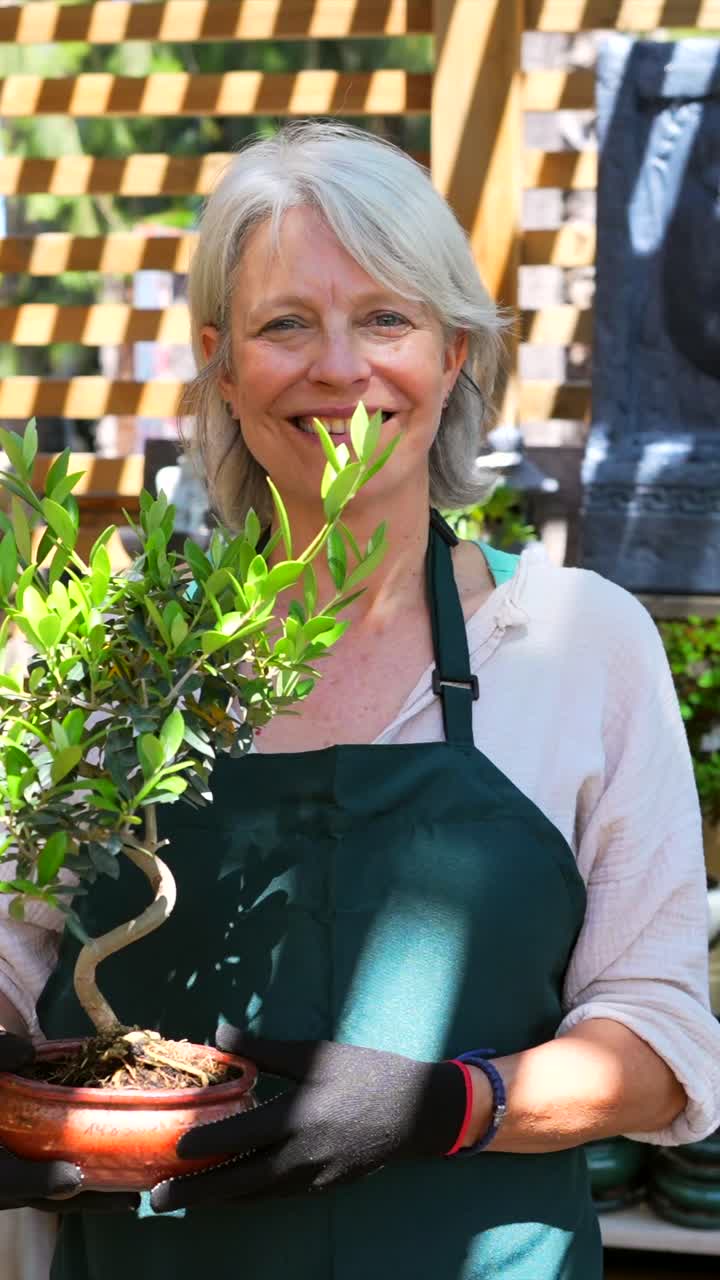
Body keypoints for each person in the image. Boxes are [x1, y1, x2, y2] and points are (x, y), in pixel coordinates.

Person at [1, 120, 719, 1280]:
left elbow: (662, 1039)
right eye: (287, 322)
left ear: (456, 357)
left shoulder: (580, 644)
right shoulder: (103, 659)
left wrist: (438, 1103)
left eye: (387, 316)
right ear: (222, 362)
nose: (340, 367)